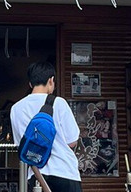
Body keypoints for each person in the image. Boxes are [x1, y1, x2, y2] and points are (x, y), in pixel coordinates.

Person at [10, 62, 81, 192]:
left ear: (30, 84)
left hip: (36, 175)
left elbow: (20, 144)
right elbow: (72, 141)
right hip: (65, 172)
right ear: (51, 80)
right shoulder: (59, 103)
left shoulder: (16, 109)